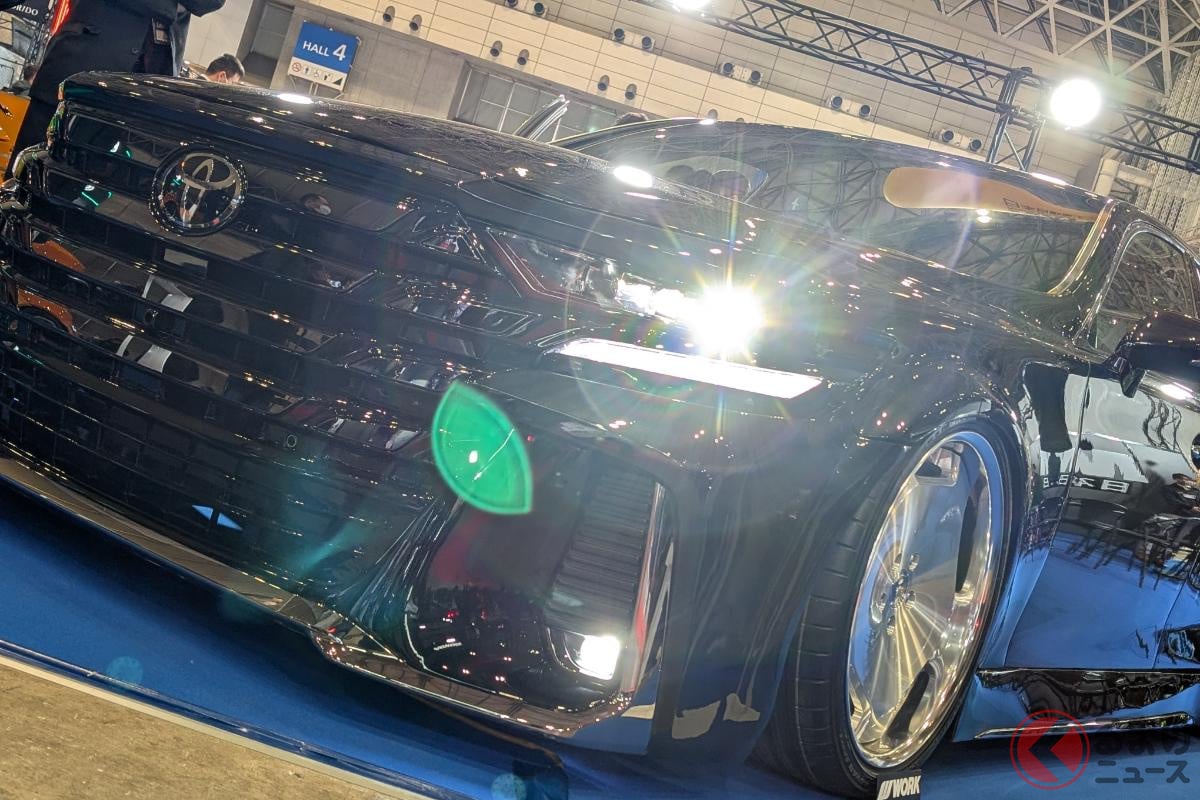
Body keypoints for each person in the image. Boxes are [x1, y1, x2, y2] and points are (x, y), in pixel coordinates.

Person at [7, 0, 227, 171]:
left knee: (101, 192)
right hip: (83, 64)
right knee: (32, 172)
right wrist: (173, 6)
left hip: (150, 87)